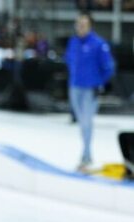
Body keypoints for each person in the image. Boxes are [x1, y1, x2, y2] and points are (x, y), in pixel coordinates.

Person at [64, 13, 115, 172]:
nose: (80, 27)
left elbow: (109, 66)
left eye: (84, 24)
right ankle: (87, 154)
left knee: (87, 122)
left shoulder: (98, 44)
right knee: (82, 123)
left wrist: (100, 83)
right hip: (74, 87)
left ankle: (86, 156)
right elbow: (68, 60)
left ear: (90, 26)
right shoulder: (73, 42)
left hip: (90, 89)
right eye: (78, 24)